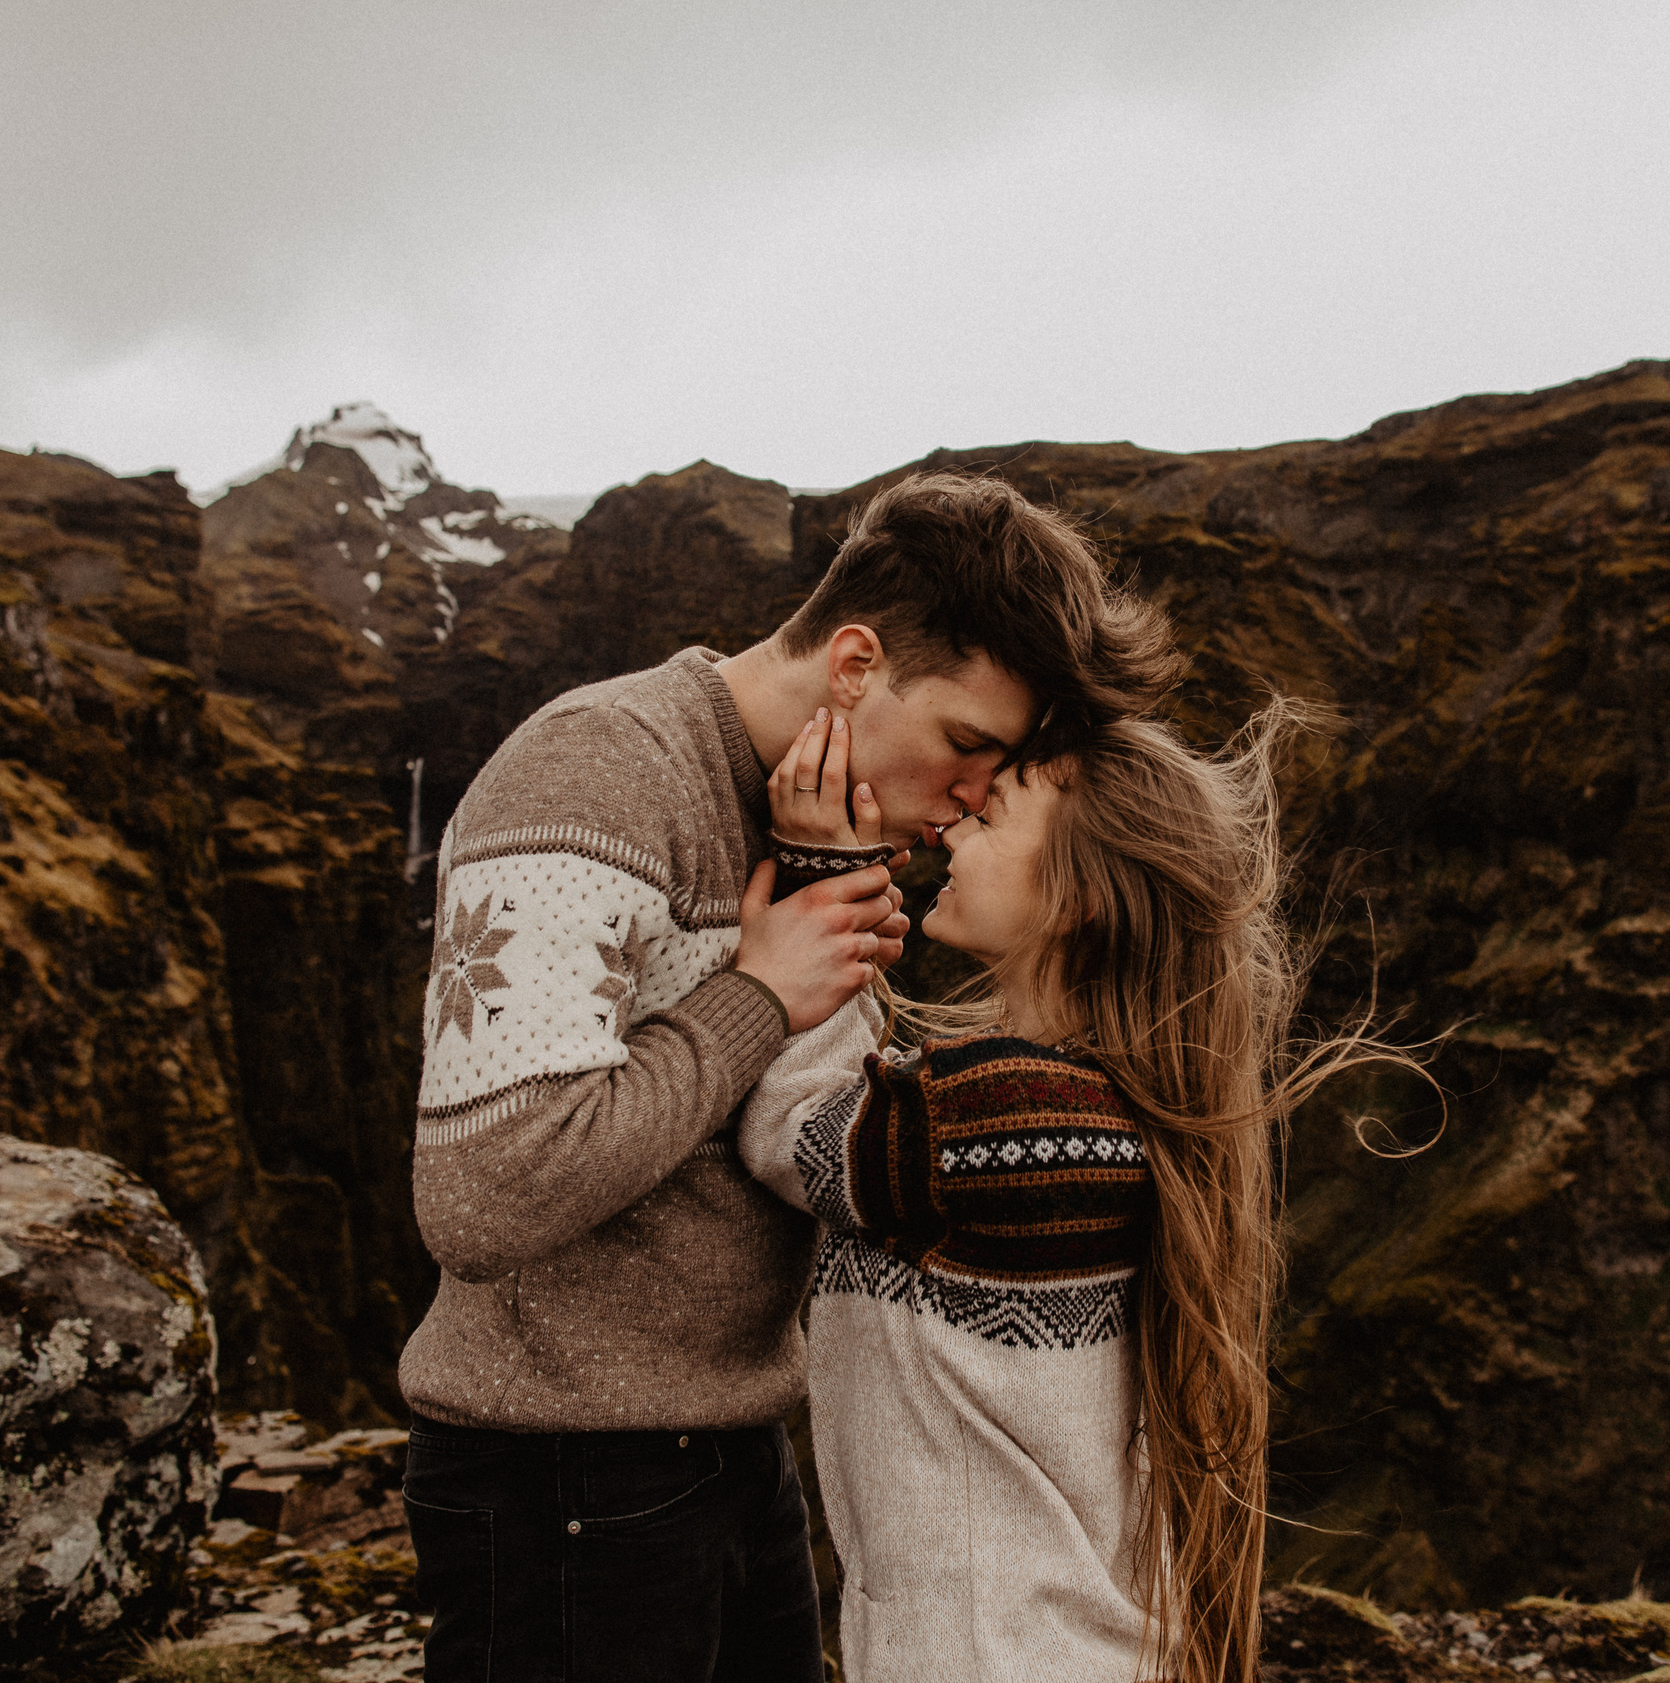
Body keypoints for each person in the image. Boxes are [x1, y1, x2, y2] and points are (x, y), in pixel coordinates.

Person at [400, 470, 1181, 1683]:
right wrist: (754, 998)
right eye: (967, 745)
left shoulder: (820, 815)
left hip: (729, 1447)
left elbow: (818, 1111)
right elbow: (483, 1196)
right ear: (856, 665)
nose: (973, 797)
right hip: (562, 1479)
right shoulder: (596, 774)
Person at [738, 702, 1432, 1683]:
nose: (953, 825)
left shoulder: (1010, 1115)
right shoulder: (1066, 1108)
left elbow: (793, 1132)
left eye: (992, 815)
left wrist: (821, 880)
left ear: (1077, 899)